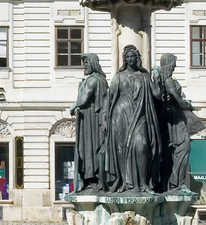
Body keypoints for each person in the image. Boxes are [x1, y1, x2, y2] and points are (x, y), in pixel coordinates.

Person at [104, 45, 162, 192]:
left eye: (132, 56)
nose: (130, 59)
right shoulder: (118, 77)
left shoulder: (144, 76)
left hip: (140, 113)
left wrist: (159, 80)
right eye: (127, 57)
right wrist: (106, 118)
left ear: (137, 58)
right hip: (121, 114)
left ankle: (143, 184)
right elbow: (110, 99)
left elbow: (157, 94)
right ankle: (124, 182)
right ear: (125, 59)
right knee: (121, 150)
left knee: (142, 146)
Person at [69, 53, 109, 193]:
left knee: (89, 149)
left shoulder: (93, 80)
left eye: (86, 64)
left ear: (92, 64)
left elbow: (85, 99)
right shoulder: (101, 80)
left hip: (91, 121)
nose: (84, 67)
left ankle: (92, 180)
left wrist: (72, 107)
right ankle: (93, 179)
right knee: (90, 150)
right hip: (92, 120)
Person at [154, 53, 193, 192]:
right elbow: (175, 97)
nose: (175, 66)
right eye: (174, 63)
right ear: (169, 64)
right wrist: (186, 105)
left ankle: (169, 184)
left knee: (168, 153)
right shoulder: (169, 80)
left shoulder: (162, 80)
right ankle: (177, 184)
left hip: (168, 116)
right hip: (173, 118)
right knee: (183, 147)